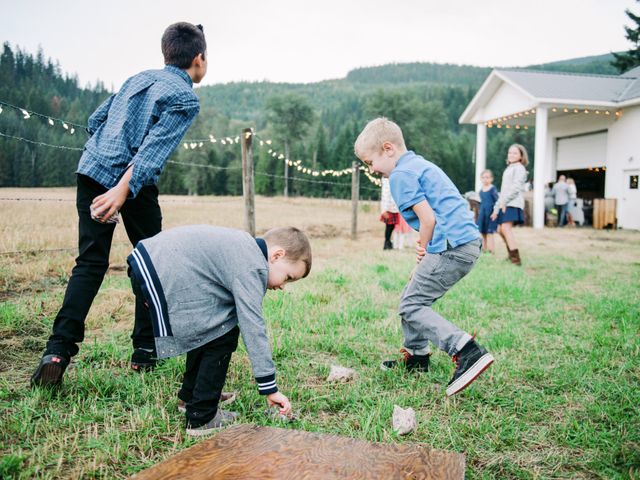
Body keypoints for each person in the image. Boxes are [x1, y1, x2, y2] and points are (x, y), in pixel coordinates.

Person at [31, 22, 208, 387]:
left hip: (91, 170)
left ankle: (57, 350)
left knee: (90, 262)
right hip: (132, 184)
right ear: (199, 58)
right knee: (150, 261)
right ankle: (145, 352)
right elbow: (151, 153)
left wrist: (106, 163)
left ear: (166, 53)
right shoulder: (185, 97)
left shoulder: (137, 78)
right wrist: (122, 190)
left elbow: (96, 120)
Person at [354, 117, 493, 397]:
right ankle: (417, 358)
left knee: (411, 305)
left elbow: (427, 219)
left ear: (388, 148)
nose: (373, 169)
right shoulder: (418, 164)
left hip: (450, 245)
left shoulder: (401, 176)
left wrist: (424, 247)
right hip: (464, 242)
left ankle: (466, 350)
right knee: (413, 294)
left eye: (370, 162)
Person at [127, 225, 311, 436]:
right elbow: (253, 324)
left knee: (211, 324)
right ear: (277, 256)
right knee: (222, 334)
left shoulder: (245, 249)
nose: (283, 286)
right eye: (288, 277)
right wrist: (270, 388)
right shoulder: (254, 267)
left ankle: (191, 397)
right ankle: (201, 416)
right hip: (160, 273)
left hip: (148, 264)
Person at [491, 144, 528, 266]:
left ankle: (516, 260)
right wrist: (496, 208)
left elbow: (515, 188)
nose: (511, 155)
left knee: (506, 229)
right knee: (500, 230)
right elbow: (504, 190)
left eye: (515, 153)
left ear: (521, 156)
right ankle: (510, 253)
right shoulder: (509, 168)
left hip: (512, 203)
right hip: (504, 202)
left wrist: (504, 202)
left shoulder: (520, 168)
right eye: (510, 152)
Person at [476, 169, 499, 254]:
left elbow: (497, 201)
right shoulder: (481, 191)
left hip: (491, 213)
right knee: (483, 232)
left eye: (487, 177)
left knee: (490, 232)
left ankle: (491, 250)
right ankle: (484, 249)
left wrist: (495, 212)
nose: (485, 179)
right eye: (483, 177)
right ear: (481, 179)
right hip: (483, 213)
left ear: (491, 179)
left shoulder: (492, 189)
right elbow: (480, 202)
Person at [380, 177, 399, 250]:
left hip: (394, 206)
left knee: (392, 226)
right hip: (388, 207)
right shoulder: (387, 180)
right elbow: (385, 195)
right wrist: (384, 209)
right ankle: (386, 243)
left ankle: (389, 242)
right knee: (388, 226)